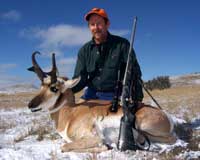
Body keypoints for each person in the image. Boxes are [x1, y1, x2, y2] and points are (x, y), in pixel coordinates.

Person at [72, 7, 143, 104]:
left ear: (107, 24)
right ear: (89, 27)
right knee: (74, 114)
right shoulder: (84, 50)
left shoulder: (122, 45)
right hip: (90, 94)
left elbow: (135, 73)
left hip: (114, 95)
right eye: (92, 24)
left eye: (99, 23)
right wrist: (65, 89)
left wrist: (137, 99)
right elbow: (79, 79)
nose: (96, 28)